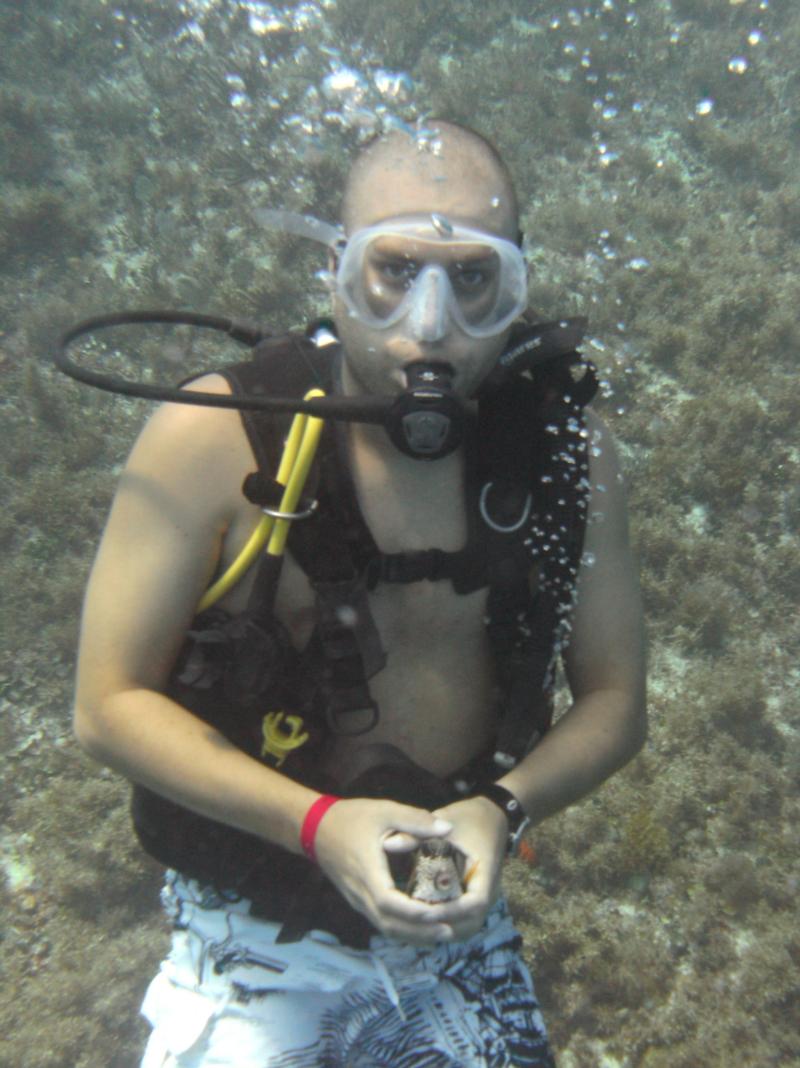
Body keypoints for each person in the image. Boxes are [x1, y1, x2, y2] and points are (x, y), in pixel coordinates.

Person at [73, 120, 646, 1067]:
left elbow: (617, 703)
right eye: (394, 271)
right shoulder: (215, 436)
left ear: (516, 287)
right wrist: (316, 824)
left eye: (472, 280)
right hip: (247, 924)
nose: (430, 326)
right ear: (340, 271)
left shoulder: (566, 455)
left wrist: (501, 809)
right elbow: (106, 705)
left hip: (451, 924)